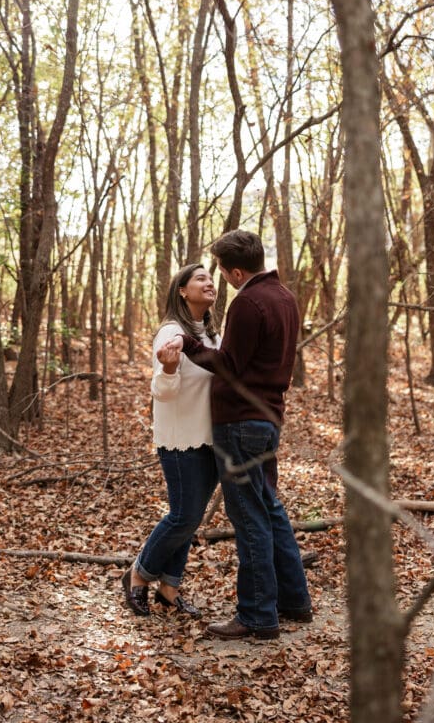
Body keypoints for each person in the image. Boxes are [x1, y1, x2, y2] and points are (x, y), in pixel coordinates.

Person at [158, 229, 312, 640]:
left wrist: (189, 346)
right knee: (270, 508)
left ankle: (258, 614)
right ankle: (295, 601)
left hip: (241, 422)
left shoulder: (248, 303)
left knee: (249, 518)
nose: (220, 279)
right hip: (268, 418)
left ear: (237, 271)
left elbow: (230, 365)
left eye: (222, 272)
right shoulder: (285, 297)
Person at [122, 263, 220, 619]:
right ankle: (137, 574)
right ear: (182, 290)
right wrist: (166, 369)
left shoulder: (211, 334)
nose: (209, 283)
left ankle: (169, 588)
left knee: (191, 520)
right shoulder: (169, 332)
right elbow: (162, 394)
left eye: (211, 278)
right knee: (183, 516)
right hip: (181, 438)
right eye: (200, 279)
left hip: (211, 439)